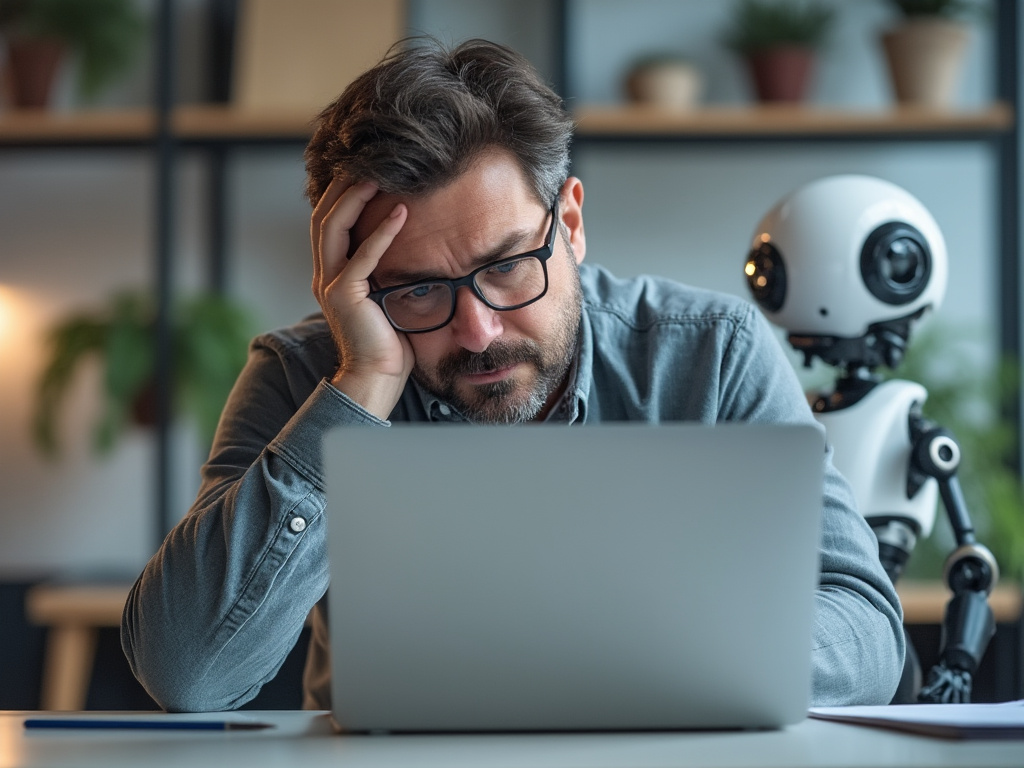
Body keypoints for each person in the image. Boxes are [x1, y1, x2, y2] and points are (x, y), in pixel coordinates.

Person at [121, 37, 905, 712]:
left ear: (568, 222)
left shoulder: (712, 356)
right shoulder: (304, 379)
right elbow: (188, 674)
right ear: (353, 282)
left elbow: (866, 631)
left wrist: (626, 672)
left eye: (504, 269)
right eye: (417, 288)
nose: (478, 330)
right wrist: (361, 384)